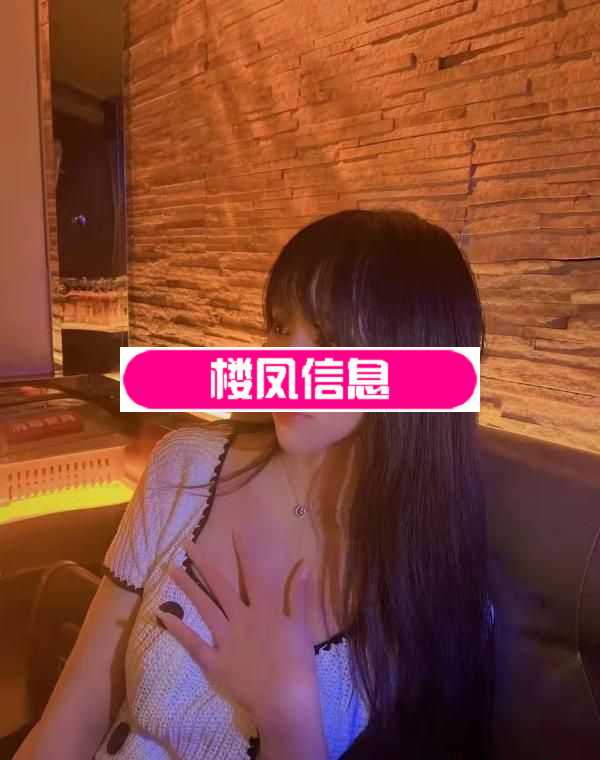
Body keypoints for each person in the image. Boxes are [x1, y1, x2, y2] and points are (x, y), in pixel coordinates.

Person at [14, 209, 495, 760]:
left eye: (333, 340)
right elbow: (69, 725)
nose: (285, 364)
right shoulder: (184, 467)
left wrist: (289, 717)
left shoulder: (444, 603)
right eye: (280, 326)